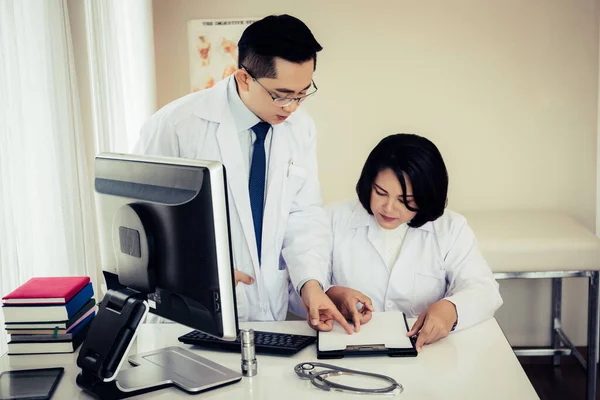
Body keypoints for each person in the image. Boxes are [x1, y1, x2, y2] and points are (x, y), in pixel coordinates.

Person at [134, 15, 352, 333]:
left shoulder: (300, 128)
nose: (292, 107)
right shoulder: (176, 126)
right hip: (191, 311)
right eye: (282, 94)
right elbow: (141, 223)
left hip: (268, 314)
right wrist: (197, 268)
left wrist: (311, 284)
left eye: (303, 92)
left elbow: (303, 214)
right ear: (244, 78)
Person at [325, 134, 503, 349]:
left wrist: (451, 309)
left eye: (405, 200)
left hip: (427, 351)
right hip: (347, 345)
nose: (388, 208)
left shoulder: (451, 227)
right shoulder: (332, 218)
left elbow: (484, 290)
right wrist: (330, 295)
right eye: (380, 193)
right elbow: (295, 286)